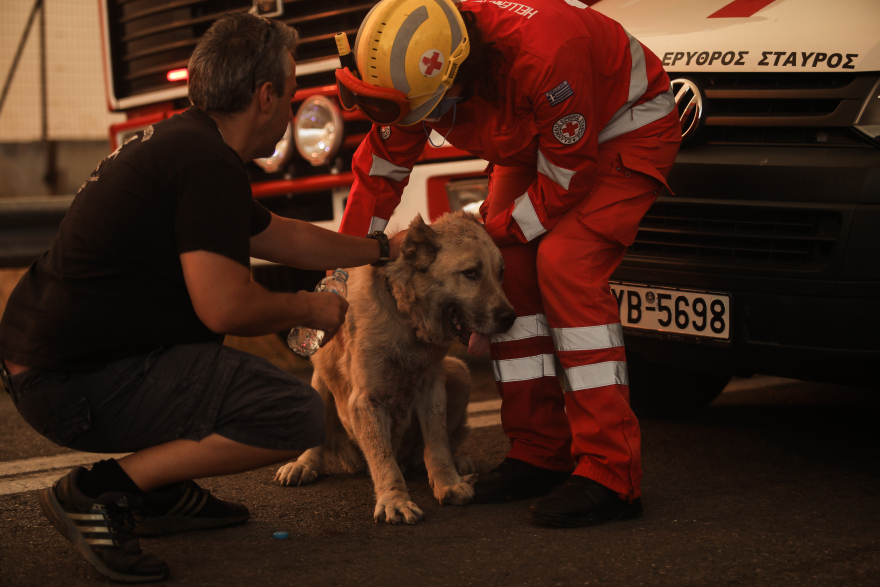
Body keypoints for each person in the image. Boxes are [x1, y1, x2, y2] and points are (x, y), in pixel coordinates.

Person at [0, 13, 397, 583]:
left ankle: (159, 493)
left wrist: (379, 249)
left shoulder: (184, 142)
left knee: (201, 350)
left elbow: (279, 234)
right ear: (264, 97)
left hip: (50, 367)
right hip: (67, 386)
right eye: (288, 97)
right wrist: (309, 308)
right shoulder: (206, 164)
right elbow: (225, 308)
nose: (290, 112)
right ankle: (97, 492)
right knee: (294, 415)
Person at [333, 0, 681, 527]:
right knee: (509, 273)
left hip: (621, 130)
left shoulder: (548, 58)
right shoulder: (417, 67)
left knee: (565, 266)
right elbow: (380, 170)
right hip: (539, 141)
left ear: (458, 72)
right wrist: (342, 271)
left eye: (427, 111)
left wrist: (482, 235)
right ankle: (540, 451)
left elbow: (567, 179)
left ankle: (611, 473)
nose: (421, 124)